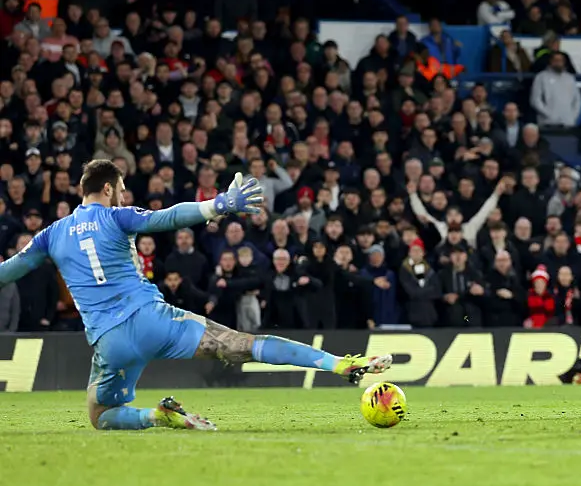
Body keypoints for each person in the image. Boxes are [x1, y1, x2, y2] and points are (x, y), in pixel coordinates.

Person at [0, 163, 392, 431]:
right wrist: (218, 204)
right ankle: (340, 364)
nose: (122, 196)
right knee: (242, 345)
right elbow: (166, 217)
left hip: (109, 341)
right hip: (154, 321)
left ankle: (157, 417)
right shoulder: (117, 217)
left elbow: (10, 270)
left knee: (100, 415)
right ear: (107, 188)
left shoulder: (50, 235)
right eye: (120, 190)